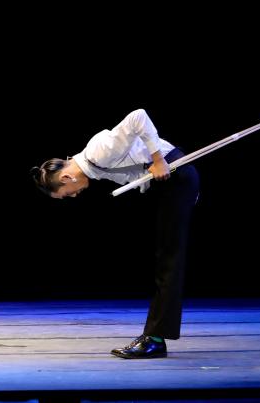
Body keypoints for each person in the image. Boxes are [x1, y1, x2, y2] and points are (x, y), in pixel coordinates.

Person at [30, 108, 200, 359]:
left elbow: (138, 116)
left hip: (175, 175)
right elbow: (137, 167)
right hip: (170, 182)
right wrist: (151, 171)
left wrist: (158, 160)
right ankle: (154, 336)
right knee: (164, 260)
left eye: (67, 194)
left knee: (169, 261)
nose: (74, 196)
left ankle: (155, 339)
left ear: (66, 178)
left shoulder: (97, 152)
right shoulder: (93, 166)